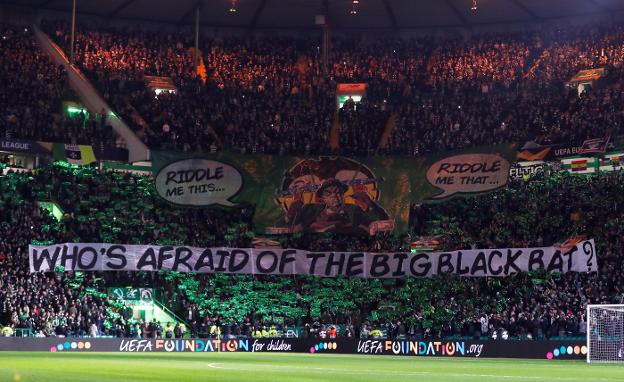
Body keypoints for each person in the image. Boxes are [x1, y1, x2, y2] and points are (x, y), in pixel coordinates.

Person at [292, 179, 388, 234]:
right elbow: (291, 227)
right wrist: (290, 214)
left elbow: (381, 221)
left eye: (338, 192)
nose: (334, 196)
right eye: (329, 193)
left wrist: (369, 204)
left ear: (343, 195)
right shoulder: (310, 209)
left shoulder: (353, 210)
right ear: (322, 198)